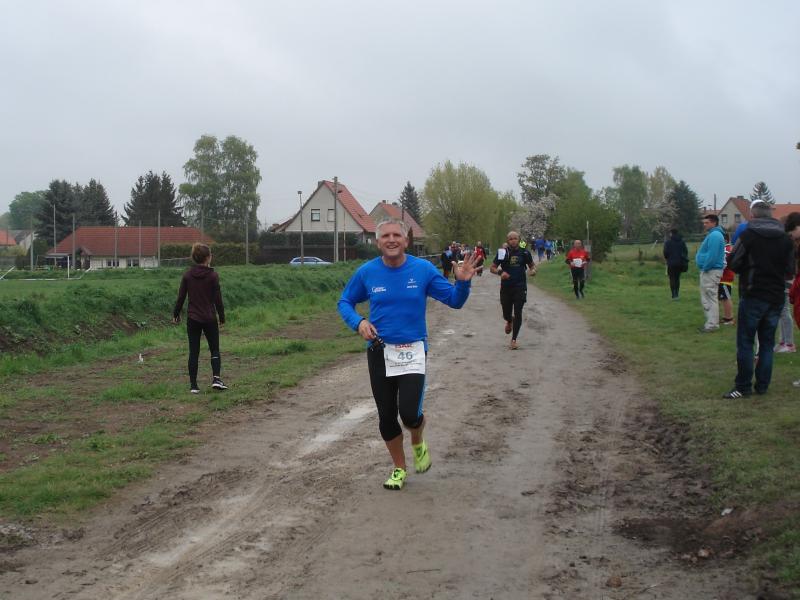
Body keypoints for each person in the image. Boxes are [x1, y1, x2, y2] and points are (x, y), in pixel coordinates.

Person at [338, 218, 479, 490]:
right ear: (378, 242)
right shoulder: (367, 272)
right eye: (385, 236)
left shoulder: (423, 269)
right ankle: (399, 468)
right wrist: (359, 322)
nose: (391, 240)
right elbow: (345, 301)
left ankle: (417, 438)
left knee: (410, 414)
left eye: (397, 235)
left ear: (406, 241)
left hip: (412, 351)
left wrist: (462, 284)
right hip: (379, 351)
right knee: (386, 416)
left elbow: (454, 301)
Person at [723, 201, 795, 399]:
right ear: (770, 215)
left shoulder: (748, 235)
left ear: (752, 216)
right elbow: (790, 269)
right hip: (776, 295)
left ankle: (743, 386)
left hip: (753, 293)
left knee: (746, 342)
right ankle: (763, 385)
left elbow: (734, 261)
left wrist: (748, 269)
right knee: (767, 342)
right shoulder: (785, 239)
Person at [173, 242, 227, 394]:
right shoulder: (213, 276)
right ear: (208, 258)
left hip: (193, 318)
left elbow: (181, 297)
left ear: (195, 258)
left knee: (194, 351)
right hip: (209, 317)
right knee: (214, 349)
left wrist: (176, 314)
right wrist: (222, 317)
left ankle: (193, 386)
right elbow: (218, 299)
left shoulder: (187, 275)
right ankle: (216, 379)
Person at [490, 231, 536, 350]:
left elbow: (532, 266)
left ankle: (514, 340)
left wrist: (533, 271)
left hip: (520, 286)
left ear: (519, 239)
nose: (513, 241)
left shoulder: (525, 252)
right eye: (511, 239)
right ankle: (509, 320)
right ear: (507, 240)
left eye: (515, 238)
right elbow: (492, 268)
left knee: (518, 312)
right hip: (506, 287)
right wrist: (501, 272)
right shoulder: (502, 252)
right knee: (506, 312)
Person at [695, 214, 726, 333]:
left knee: (709, 296)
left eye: (706, 222)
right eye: (704, 222)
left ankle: (712, 324)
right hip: (710, 270)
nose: (704, 225)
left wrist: (705, 267)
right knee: (708, 296)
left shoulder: (715, 235)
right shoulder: (714, 234)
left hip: (711, 270)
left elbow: (712, 255)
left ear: (714, 223)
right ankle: (711, 322)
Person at [663, 229, 689, 300]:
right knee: (677, 278)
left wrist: (668, 258)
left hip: (671, 263)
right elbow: (685, 251)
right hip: (680, 263)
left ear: (671, 233)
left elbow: (665, 253)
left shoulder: (668, 242)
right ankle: (677, 294)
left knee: (672, 278)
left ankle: (673, 294)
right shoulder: (682, 242)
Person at [719, 235, 735, 325]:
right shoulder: (729, 248)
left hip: (725, 278)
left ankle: (729, 319)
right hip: (726, 277)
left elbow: (723, 264)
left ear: (725, 240)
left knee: (726, 298)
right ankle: (726, 317)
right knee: (723, 298)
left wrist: (718, 272)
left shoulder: (726, 249)